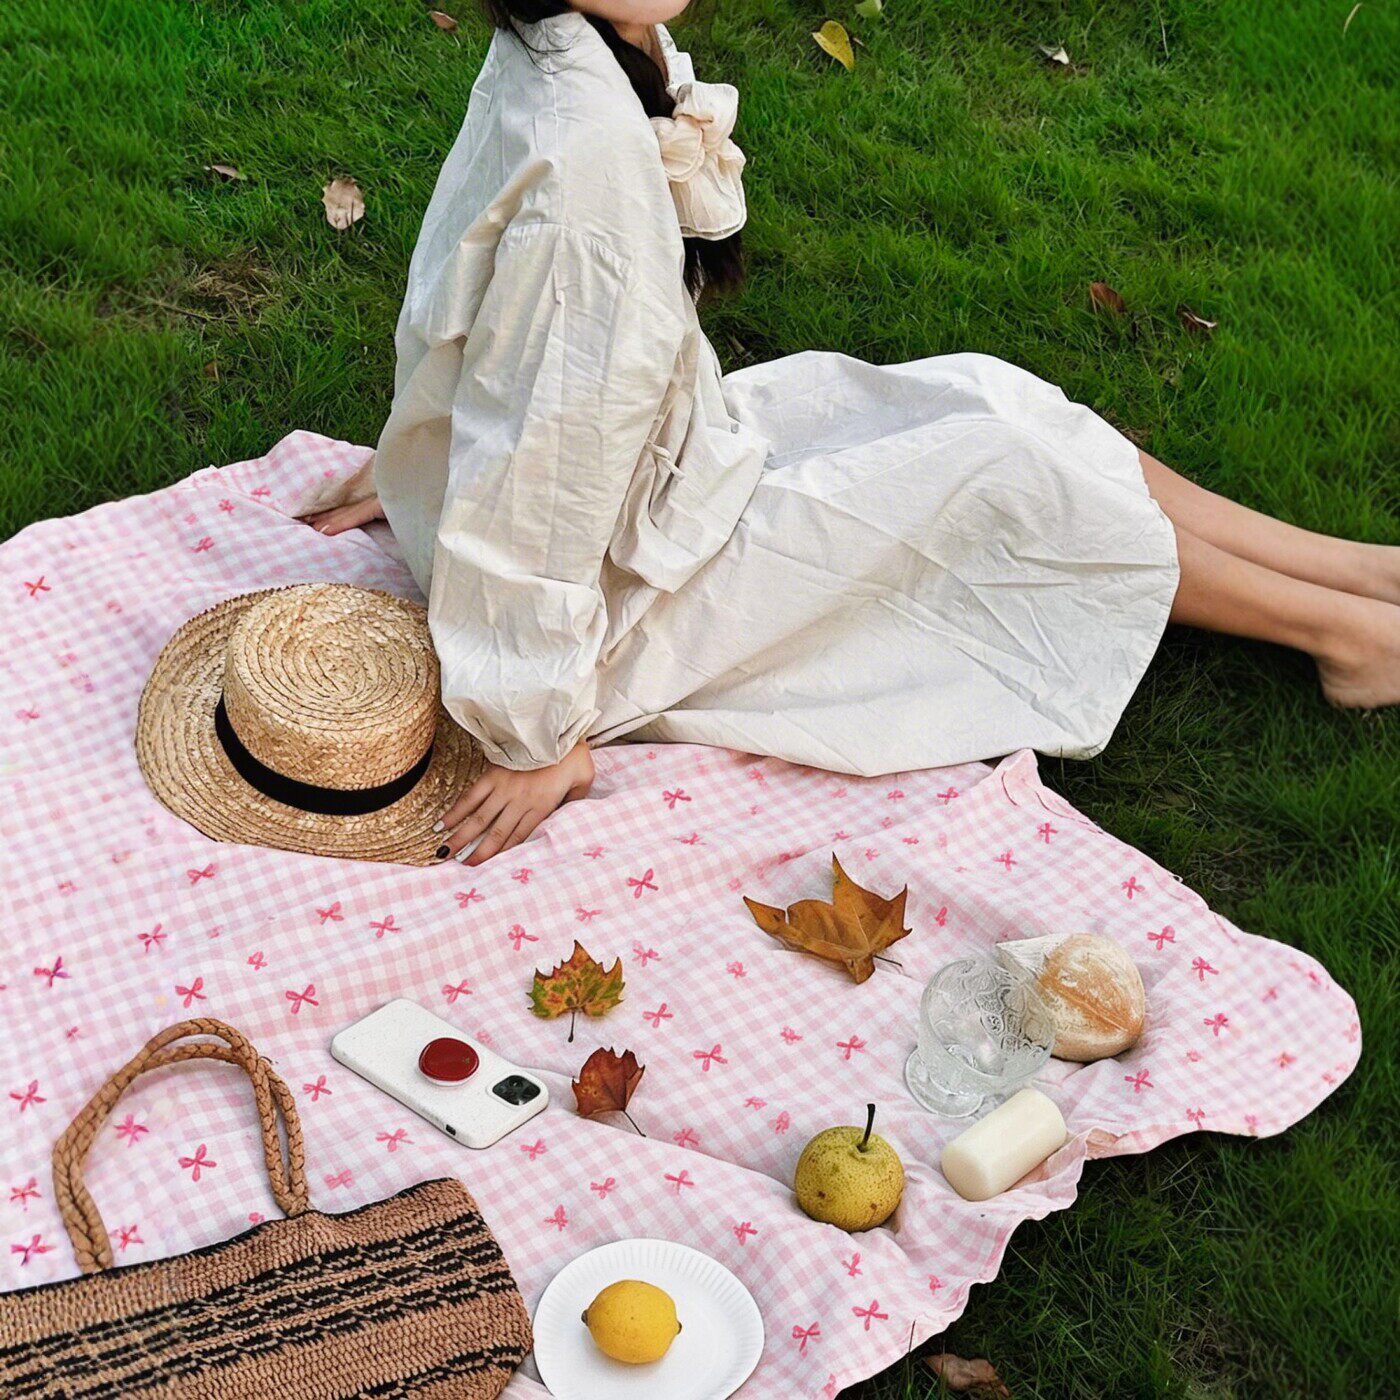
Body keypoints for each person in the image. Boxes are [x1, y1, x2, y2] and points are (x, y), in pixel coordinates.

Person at [308, 1, 1400, 867]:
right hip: (617, 597)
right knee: (1002, 476)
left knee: (987, 396)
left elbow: (463, 289)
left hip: (673, 464)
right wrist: (537, 735)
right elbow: (543, 481)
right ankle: (1342, 638)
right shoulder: (582, 149)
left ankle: (1343, 571)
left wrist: (423, 463)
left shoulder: (582, 39)